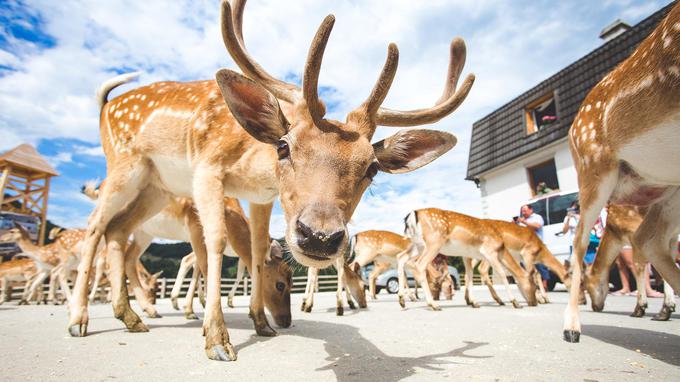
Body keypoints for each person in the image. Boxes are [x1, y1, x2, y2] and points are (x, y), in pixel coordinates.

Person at [517, 204, 549, 289]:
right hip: (526, 246)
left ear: (531, 210)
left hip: (537, 244)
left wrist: (524, 222)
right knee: (523, 263)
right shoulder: (522, 220)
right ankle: (533, 282)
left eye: (525, 210)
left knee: (540, 264)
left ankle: (545, 283)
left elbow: (537, 226)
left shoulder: (537, 217)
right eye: (522, 211)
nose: (523, 212)